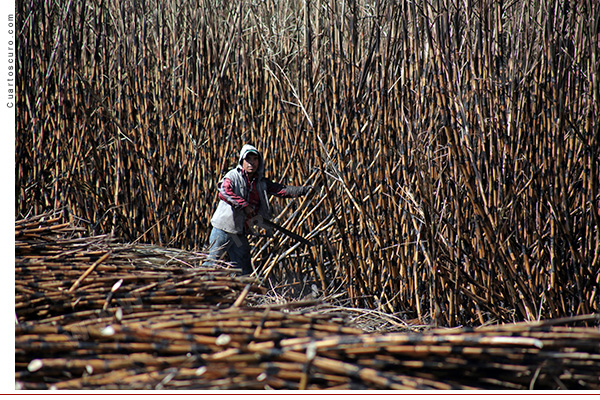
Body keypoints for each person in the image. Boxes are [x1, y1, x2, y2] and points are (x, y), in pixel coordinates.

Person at [205, 144, 311, 275]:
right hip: (223, 229)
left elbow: (280, 190)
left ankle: (242, 294)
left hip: (238, 232)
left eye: (255, 159)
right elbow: (224, 191)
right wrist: (244, 205)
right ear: (242, 161)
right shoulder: (232, 176)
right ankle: (196, 287)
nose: (252, 163)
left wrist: (304, 190)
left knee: (243, 268)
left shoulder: (259, 182)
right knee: (212, 262)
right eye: (248, 159)